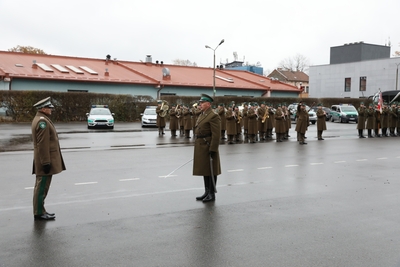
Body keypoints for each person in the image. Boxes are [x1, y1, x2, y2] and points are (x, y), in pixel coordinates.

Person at [31, 97, 66, 220]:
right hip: (44, 161)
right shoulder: (42, 122)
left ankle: (41, 210)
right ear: (43, 109)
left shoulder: (42, 119)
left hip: (44, 160)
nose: (51, 110)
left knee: (41, 187)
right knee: (41, 188)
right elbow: (42, 144)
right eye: (49, 108)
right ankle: (39, 212)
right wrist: (46, 162)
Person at [193, 94, 221, 202]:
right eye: (200, 103)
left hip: (208, 145)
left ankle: (212, 193)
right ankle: (206, 191)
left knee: (211, 170)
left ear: (208, 104)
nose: (200, 104)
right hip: (201, 145)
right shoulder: (202, 114)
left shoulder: (213, 115)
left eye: (202, 103)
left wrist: (213, 149)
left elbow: (216, 134)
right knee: (205, 170)